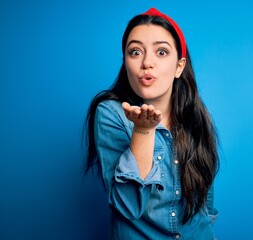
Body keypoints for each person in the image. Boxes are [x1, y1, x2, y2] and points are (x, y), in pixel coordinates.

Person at [84, 7, 220, 240]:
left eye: (161, 52)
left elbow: (204, 202)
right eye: (135, 52)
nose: (147, 62)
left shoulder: (195, 115)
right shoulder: (111, 113)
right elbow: (127, 206)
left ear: (179, 66)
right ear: (125, 63)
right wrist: (143, 131)